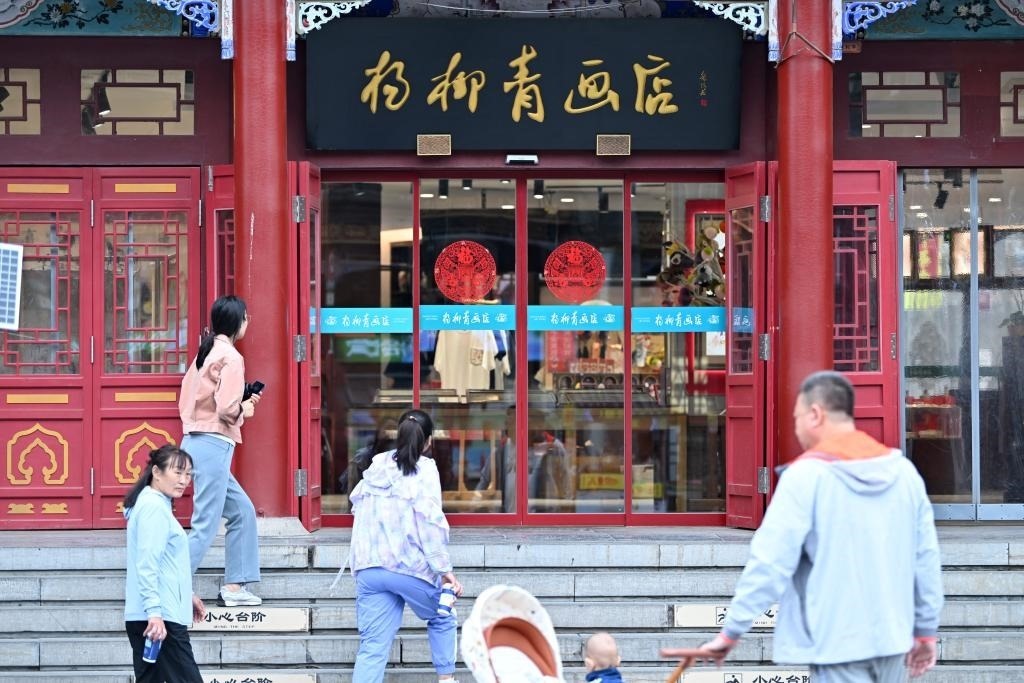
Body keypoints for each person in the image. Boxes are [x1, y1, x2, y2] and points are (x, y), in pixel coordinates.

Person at [663, 371, 944, 682]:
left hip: (835, 642)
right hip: (893, 639)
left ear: (815, 414)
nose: (796, 429)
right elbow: (926, 559)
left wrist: (730, 632)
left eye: (796, 418)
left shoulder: (806, 477)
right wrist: (926, 630)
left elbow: (770, 562)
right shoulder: (904, 474)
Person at [346, 408, 463, 682]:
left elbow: (358, 508)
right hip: (408, 567)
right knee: (443, 615)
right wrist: (444, 570)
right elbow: (430, 524)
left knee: (372, 647)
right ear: (428, 441)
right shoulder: (426, 470)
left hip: (369, 567)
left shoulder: (377, 466)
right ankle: (446, 680)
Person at [179, 295, 263, 607]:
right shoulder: (231, 357)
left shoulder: (205, 352)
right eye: (247, 317)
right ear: (239, 321)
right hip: (214, 442)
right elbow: (227, 409)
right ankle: (172, 585)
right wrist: (245, 409)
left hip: (196, 440)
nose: (248, 322)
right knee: (205, 523)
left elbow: (192, 399)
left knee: (242, 511)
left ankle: (235, 587)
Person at [123, 444, 207, 683]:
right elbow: (147, 563)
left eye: (188, 474)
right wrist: (154, 614)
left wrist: (187, 594)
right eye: (177, 472)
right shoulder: (153, 507)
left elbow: (166, 563)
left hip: (154, 616)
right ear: (156, 472)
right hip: (160, 620)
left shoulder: (153, 503)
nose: (184, 480)